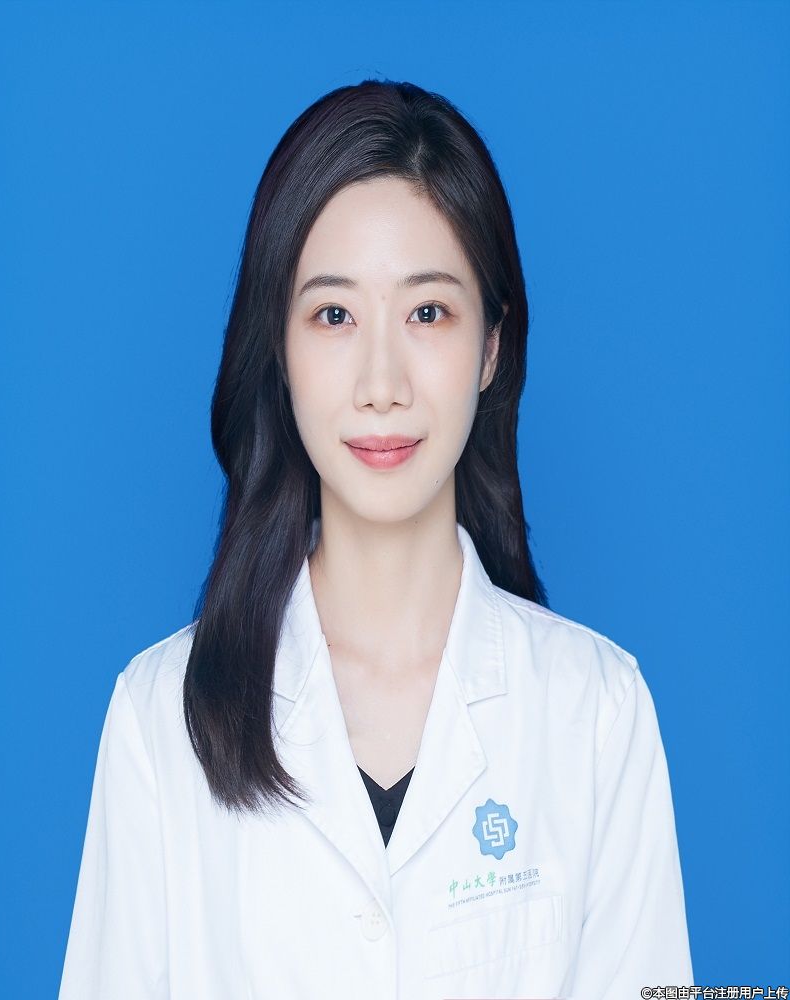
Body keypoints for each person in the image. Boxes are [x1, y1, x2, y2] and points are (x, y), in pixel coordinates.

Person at [58, 79, 693, 1000]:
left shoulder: (596, 711)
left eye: (428, 313)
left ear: (491, 347)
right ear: (279, 350)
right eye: (335, 316)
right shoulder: (161, 719)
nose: (382, 383)